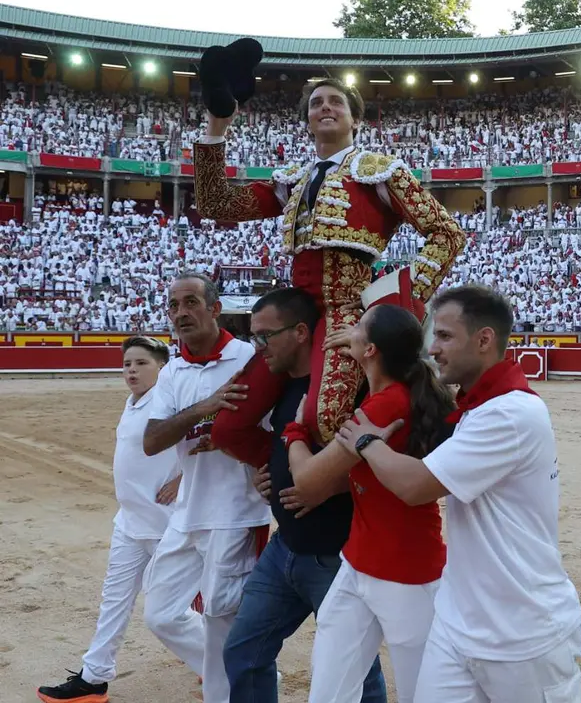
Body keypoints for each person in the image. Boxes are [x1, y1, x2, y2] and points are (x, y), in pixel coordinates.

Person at [193, 76, 465, 467]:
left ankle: (331, 484)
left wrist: (391, 307)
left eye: (336, 101)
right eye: (316, 102)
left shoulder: (381, 172)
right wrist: (217, 127)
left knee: (329, 417)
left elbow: (448, 234)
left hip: (348, 310)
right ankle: (282, 473)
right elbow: (216, 204)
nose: (325, 107)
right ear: (307, 121)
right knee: (227, 427)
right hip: (293, 315)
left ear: (356, 120)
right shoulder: (293, 180)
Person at [335, 285, 581, 702]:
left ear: (484, 339)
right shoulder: (483, 407)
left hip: (522, 632)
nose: (433, 348)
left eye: (445, 336)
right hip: (462, 620)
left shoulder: (508, 413)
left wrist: (366, 442)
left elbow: (415, 486)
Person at [220, 288, 386, 703]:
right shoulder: (285, 386)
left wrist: (329, 484)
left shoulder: (346, 384)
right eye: (253, 336)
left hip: (336, 554)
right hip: (286, 547)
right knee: (243, 651)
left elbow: (386, 457)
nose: (258, 347)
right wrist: (270, 473)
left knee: (356, 673)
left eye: (265, 336)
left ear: (299, 332)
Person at [286, 304, 450, 703]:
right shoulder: (400, 393)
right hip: (371, 561)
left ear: (373, 349)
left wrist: (294, 431)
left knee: (419, 693)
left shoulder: (383, 405)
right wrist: (358, 342)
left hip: (400, 570)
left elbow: (306, 481)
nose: (349, 331)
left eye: (358, 327)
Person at [140, 272, 268, 703]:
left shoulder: (248, 358)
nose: (181, 313)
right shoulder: (173, 370)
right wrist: (205, 409)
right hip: (188, 510)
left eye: (191, 302)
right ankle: (245, 674)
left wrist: (228, 438)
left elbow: (275, 429)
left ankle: (230, 691)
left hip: (235, 510)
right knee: (161, 614)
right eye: (174, 306)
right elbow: (152, 440)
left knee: (221, 618)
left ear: (214, 309)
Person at [37, 336, 183, 703]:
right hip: (130, 520)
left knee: (173, 611)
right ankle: (94, 677)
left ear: (162, 367)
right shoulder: (133, 402)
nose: (131, 371)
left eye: (141, 363)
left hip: (166, 523)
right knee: (114, 600)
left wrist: (183, 479)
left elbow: (207, 441)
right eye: (127, 364)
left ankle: (228, 663)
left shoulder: (172, 399)